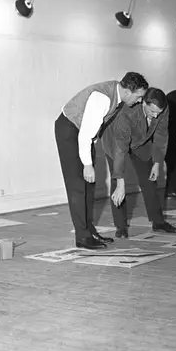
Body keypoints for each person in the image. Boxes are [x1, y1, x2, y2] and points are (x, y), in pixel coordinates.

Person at [54, 72, 148, 249]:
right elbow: (84, 135)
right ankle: (82, 237)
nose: (140, 101)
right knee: (77, 186)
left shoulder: (117, 96)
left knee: (89, 186)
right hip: (69, 130)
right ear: (128, 91)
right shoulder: (102, 98)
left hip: (83, 134)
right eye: (139, 96)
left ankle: (89, 230)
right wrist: (87, 165)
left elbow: (92, 130)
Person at [101, 87, 176, 239]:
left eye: (159, 112)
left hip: (140, 141)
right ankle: (121, 227)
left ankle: (158, 222)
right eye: (152, 112)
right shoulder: (127, 114)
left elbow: (161, 134)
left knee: (149, 179)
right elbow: (120, 149)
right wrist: (121, 182)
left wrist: (157, 162)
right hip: (115, 143)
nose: (156, 116)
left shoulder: (162, 109)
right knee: (117, 184)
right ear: (143, 103)